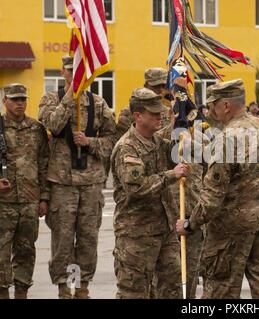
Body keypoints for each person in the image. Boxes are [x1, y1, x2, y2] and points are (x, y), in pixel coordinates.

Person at [176, 79, 259, 299]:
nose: (210, 110)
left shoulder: (226, 137)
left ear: (226, 105)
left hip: (234, 226)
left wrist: (190, 224)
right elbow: (245, 164)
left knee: (221, 288)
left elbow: (212, 195)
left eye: (213, 104)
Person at [38, 56, 117, 299]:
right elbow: (52, 124)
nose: (76, 75)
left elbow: (112, 142)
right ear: (63, 72)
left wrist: (90, 142)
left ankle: (81, 288)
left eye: (81, 71)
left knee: (87, 239)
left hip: (90, 183)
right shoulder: (51, 99)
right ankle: (65, 287)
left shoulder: (99, 104)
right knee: (63, 240)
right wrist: (71, 97)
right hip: (62, 183)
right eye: (72, 71)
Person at [111, 87, 189, 299]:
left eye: (160, 112)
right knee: (134, 292)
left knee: (170, 289)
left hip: (164, 230)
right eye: (154, 113)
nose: (160, 116)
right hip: (136, 234)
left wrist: (178, 128)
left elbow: (174, 155)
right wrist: (171, 175)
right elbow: (137, 189)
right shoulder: (127, 147)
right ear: (138, 116)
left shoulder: (156, 141)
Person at [0, 84, 50, 299]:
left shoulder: (36, 128)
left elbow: (44, 163)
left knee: (26, 251)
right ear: (5, 101)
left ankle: (22, 292)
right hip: (3, 203)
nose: (20, 103)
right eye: (14, 99)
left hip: (30, 201)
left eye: (23, 99)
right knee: (1, 252)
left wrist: (44, 197)